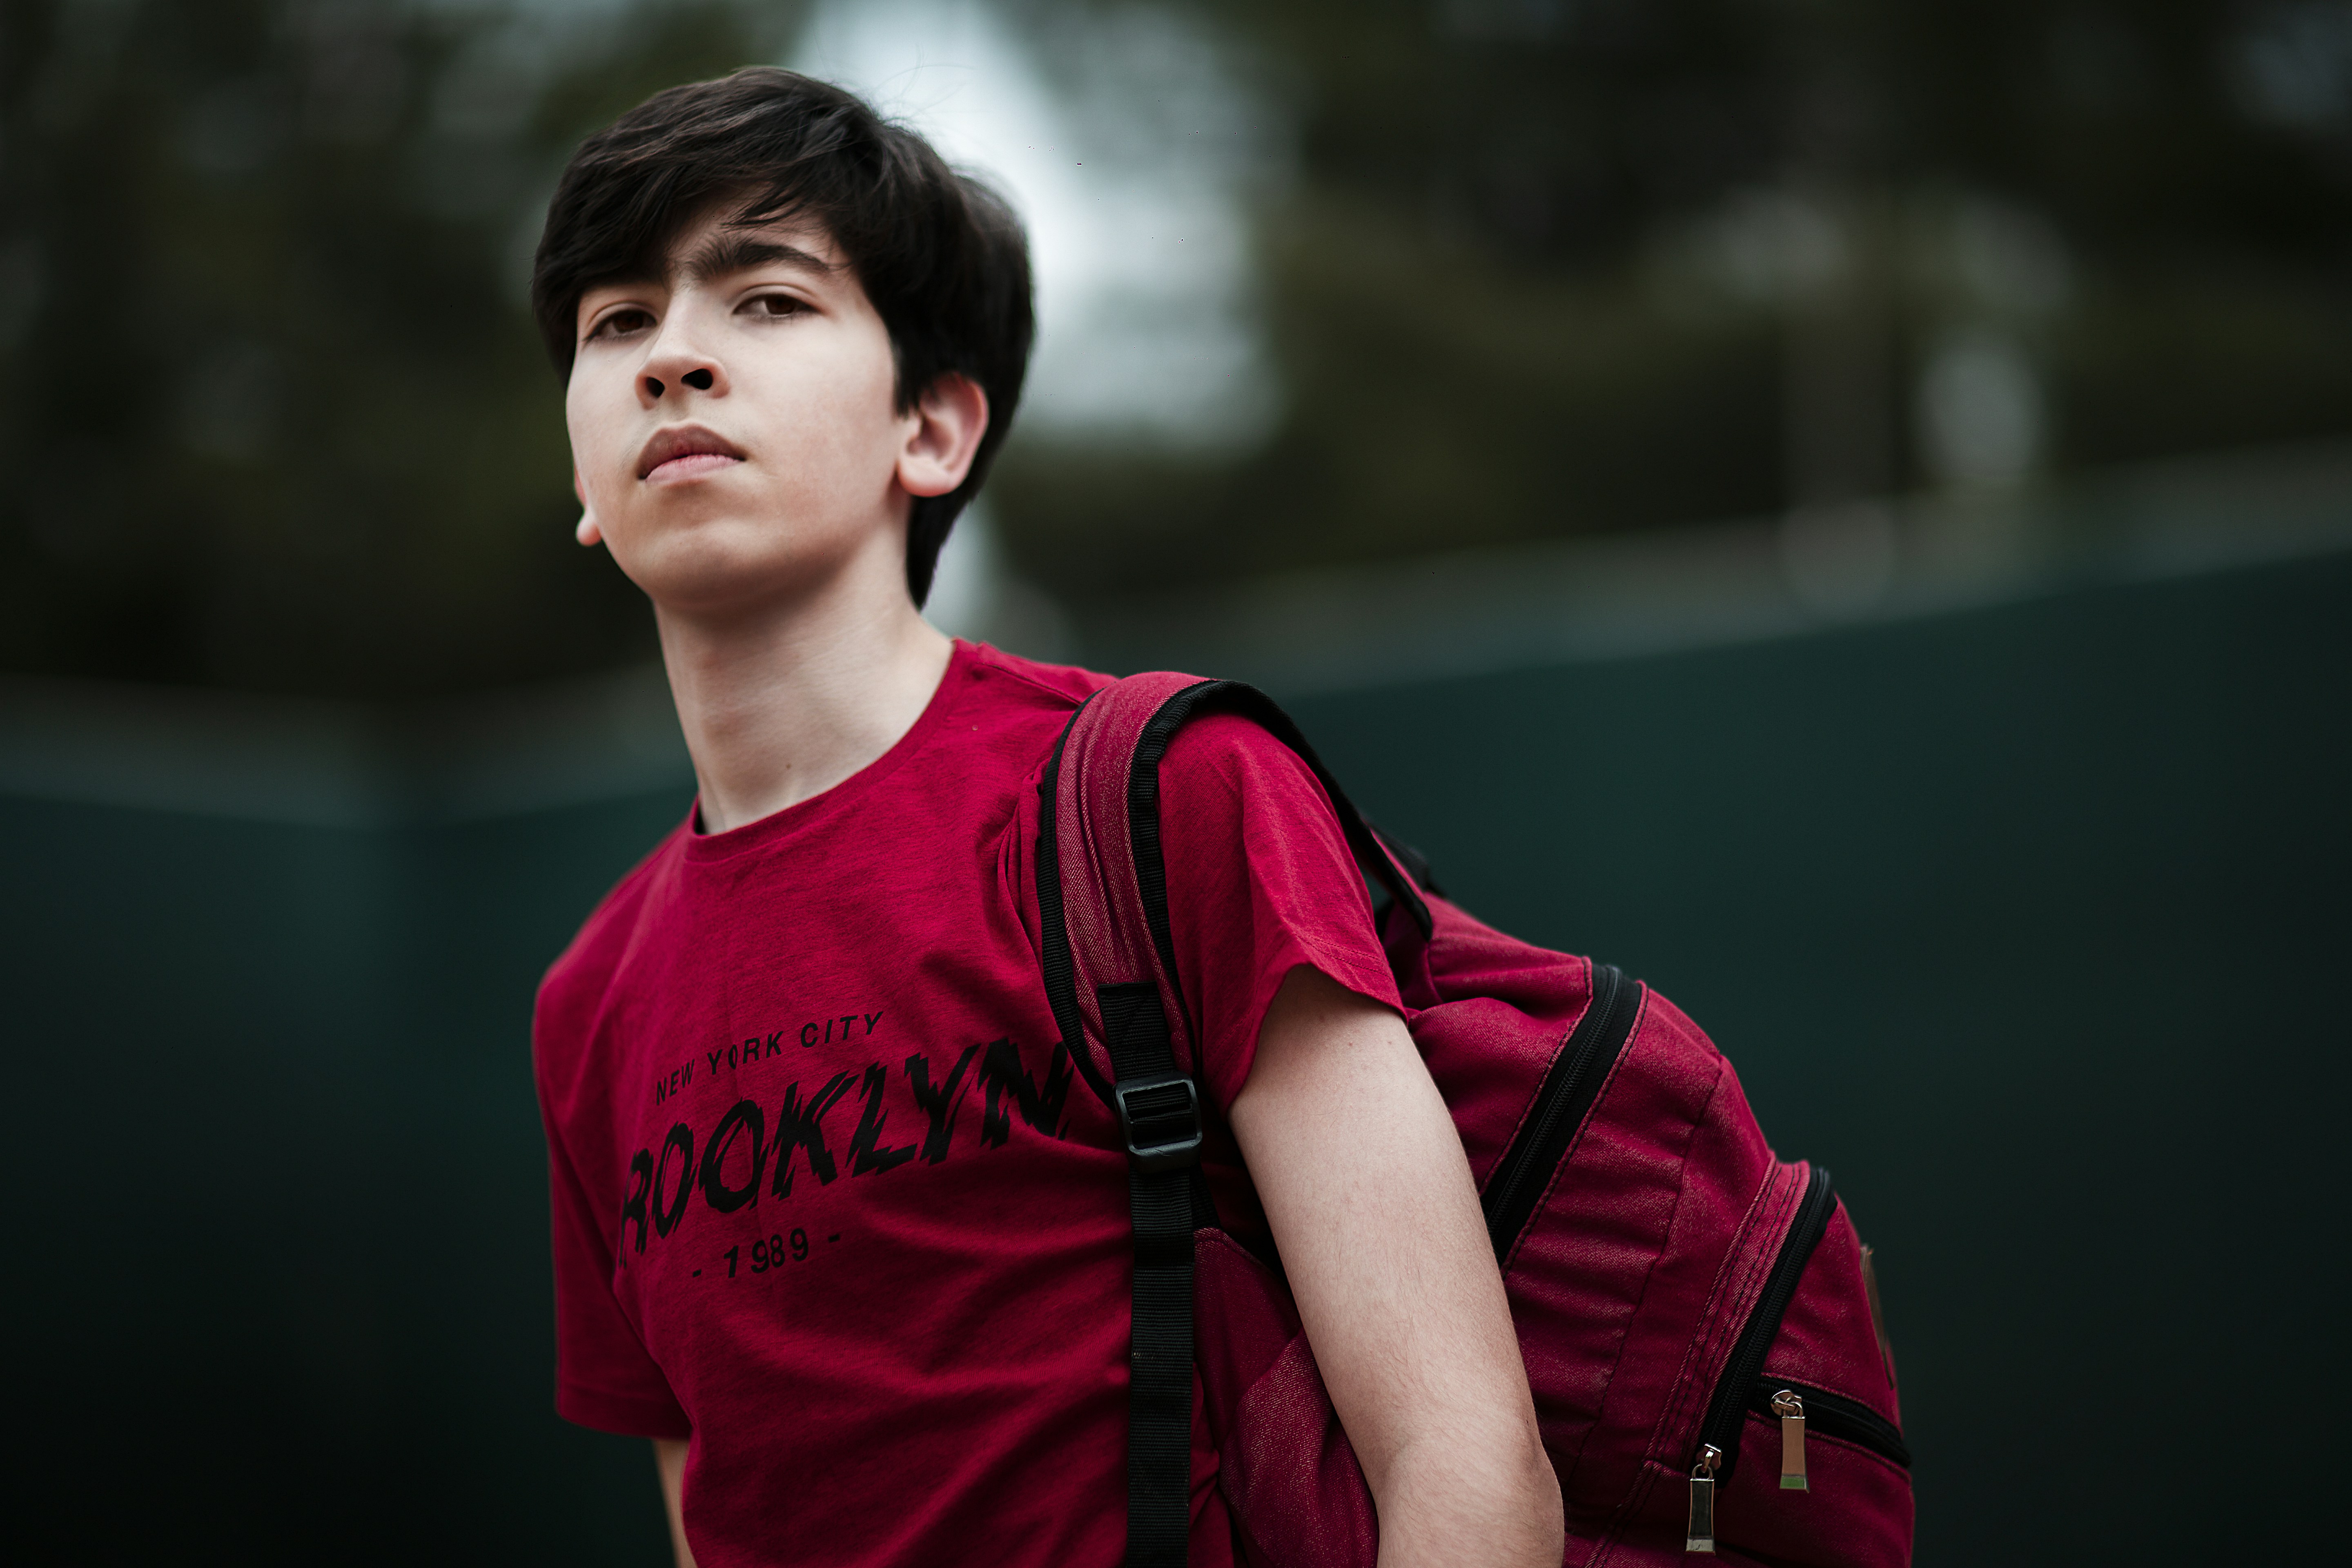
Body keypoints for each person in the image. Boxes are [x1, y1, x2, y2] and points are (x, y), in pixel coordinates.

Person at [529, 67, 1560, 1568]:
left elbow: (1468, 1469)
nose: (673, 357)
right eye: (619, 321)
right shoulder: (587, 1008)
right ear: (580, 476)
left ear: (934, 430)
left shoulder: (1166, 799)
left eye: (765, 299)